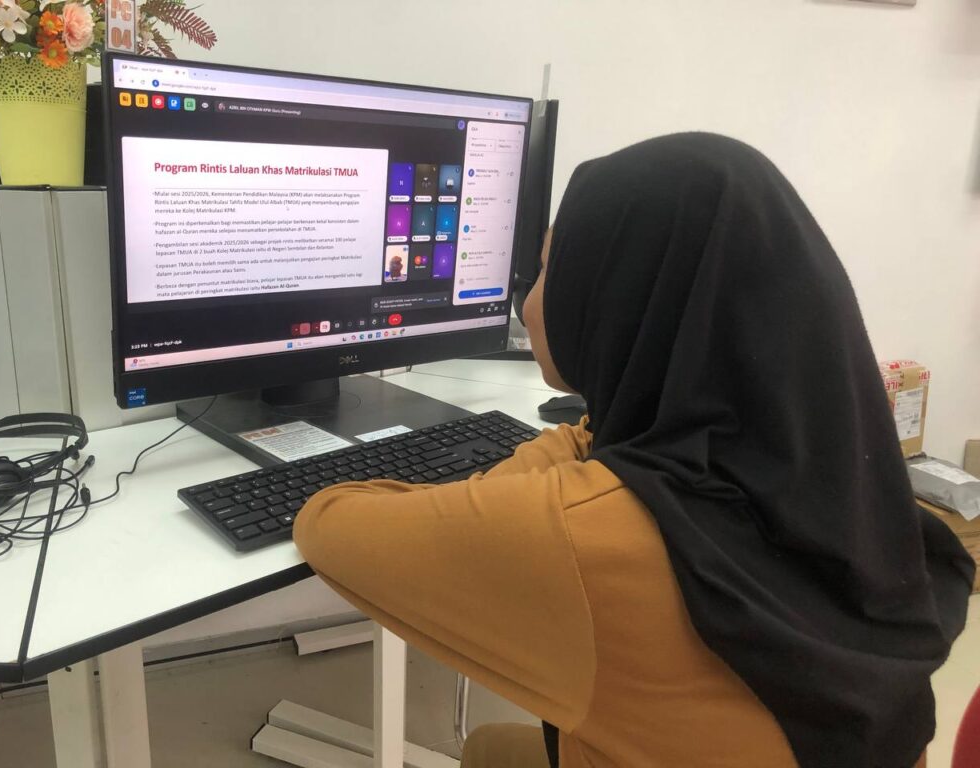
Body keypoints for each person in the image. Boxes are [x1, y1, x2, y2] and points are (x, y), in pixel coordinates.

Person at [295, 133, 974, 768]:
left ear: (616, 300)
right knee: (494, 745)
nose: (528, 307)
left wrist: (524, 474)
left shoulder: (587, 533)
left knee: (488, 750)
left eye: (547, 273)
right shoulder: (837, 464)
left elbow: (328, 524)